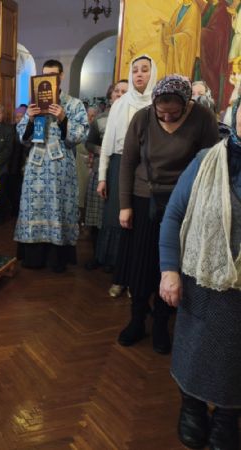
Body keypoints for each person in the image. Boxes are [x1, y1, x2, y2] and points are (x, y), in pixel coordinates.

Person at [159, 99, 241, 450]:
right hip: (201, 282)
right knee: (193, 350)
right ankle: (191, 408)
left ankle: (226, 417)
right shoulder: (205, 161)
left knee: (235, 357)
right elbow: (173, 216)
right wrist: (169, 271)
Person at [117, 75, 219, 354]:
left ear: (187, 104)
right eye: (161, 112)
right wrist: (125, 204)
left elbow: (210, 162)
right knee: (141, 264)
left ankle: (162, 323)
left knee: (169, 265)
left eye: (174, 113)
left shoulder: (203, 118)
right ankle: (137, 320)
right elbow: (128, 162)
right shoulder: (142, 117)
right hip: (143, 198)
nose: (167, 118)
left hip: (182, 202)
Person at [14, 59, 90, 273]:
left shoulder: (74, 104)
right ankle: (33, 258)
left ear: (61, 76)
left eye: (53, 74)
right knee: (33, 208)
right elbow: (22, 137)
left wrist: (64, 118)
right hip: (36, 166)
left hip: (60, 166)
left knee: (59, 207)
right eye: (45, 74)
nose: (49, 78)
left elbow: (81, 134)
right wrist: (30, 119)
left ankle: (57, 259)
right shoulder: (34, 104)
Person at [97, 56, 157, 297]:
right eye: (135, 70)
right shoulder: (120, 104)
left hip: (147, 168)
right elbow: (107, 143)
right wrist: (102, 176)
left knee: (140, 225)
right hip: (119, 165)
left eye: (144, 70)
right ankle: (119, 278)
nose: (139, 74)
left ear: (153, 73)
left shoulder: (157, 103)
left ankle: (135, 280)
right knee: (119, 223)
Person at [84, 81, 129, 272]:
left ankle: (113, 259)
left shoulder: (135, 117)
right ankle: (97, 256)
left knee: (116, 219)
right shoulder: (101, 119)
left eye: (124, 91)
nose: (119, 94)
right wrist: (102, 150)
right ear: (110, 95)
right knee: (97, 218)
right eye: (116, 91)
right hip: (100, 173)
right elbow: (88, 143)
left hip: (122, 174)